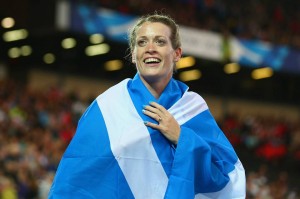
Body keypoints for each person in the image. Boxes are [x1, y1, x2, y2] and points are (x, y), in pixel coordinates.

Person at [48, 13, 246, 198]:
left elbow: (225, 176)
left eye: (160, 41)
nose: (150, 48)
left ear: (177, 53)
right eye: (142, 42)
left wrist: (182, 138)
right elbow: (75, 178)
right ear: (134, 55)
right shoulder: (107, 106)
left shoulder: (192, 108)